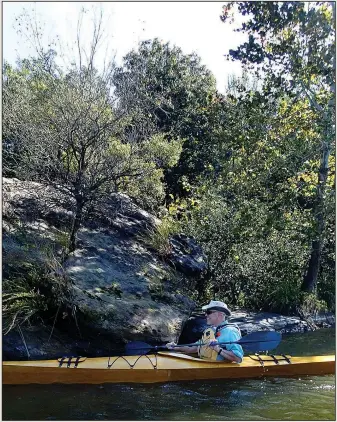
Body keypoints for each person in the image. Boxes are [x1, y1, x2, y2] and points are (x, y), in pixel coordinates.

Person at [166, 300, 243, 363]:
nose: (206, 315)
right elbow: (192, 348)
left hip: (218, 373)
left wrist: (217, 349)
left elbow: (238, 358)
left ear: (220, 314)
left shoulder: (230, 331)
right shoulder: (210, 331)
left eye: (209, 312)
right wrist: (176, 347)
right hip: (206, 365)